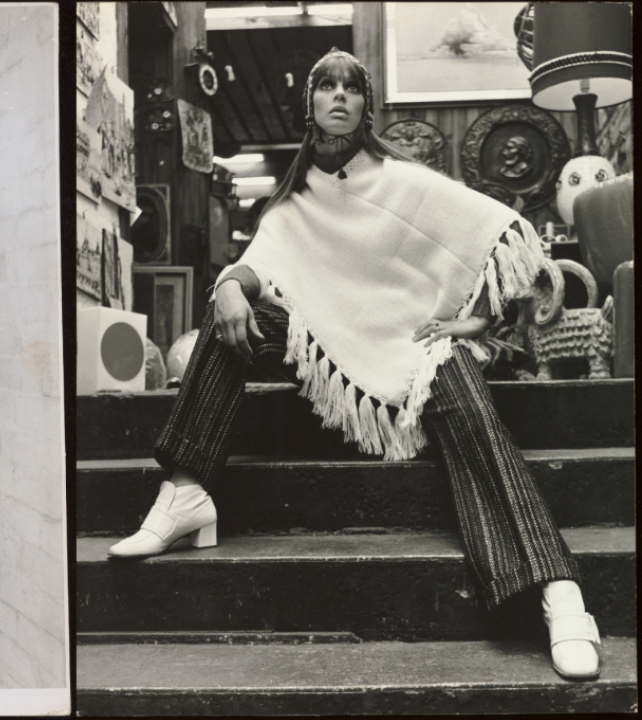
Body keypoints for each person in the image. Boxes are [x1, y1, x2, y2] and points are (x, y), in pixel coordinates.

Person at [106, 50, 601, 681]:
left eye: (351, 88)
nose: (339, 96)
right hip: (328, 340)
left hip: (418, 344)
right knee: (228, 314)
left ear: (366, 106)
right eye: (326, 86)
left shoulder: (400, 179)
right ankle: (185, 492)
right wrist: (231, 281)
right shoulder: (293, 200)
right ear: (309, 103)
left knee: (473, 414)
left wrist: (474, 318)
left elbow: (496, 229)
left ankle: (558, 593)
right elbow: (264, 261)